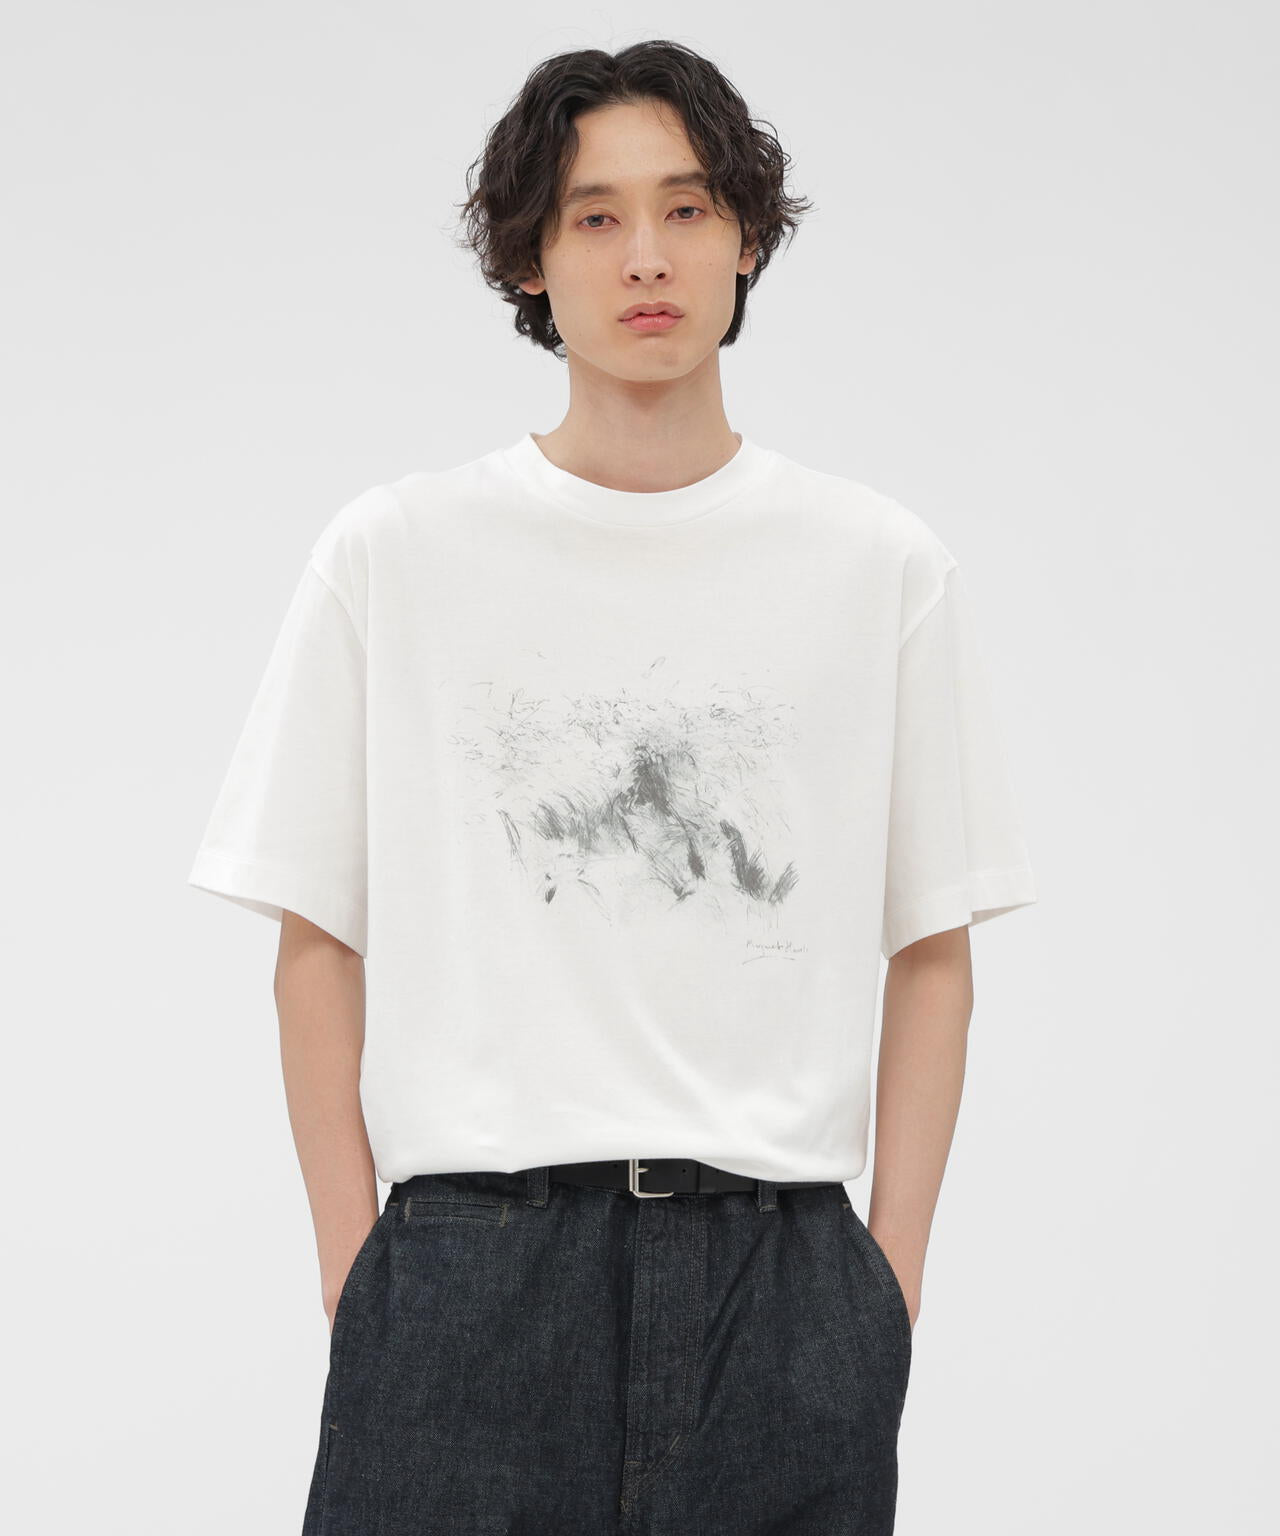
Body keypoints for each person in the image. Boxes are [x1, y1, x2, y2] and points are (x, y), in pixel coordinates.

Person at [187, 37, 1037, 1535]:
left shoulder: (876, 566)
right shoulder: (399, 554)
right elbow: (315, 939)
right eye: (595, 216)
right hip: (470, 1276)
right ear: (531, 259)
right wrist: (362, 1275)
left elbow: (933, 950)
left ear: (746, 237)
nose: (647, 255)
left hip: (782, 1281)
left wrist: (882, 1291)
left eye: (688, 208)